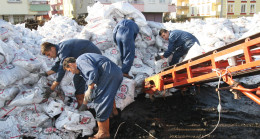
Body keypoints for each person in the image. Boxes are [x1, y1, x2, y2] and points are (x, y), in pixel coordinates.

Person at [63, 53, 123, 139]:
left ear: (71, 64)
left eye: (69, 70)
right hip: (115, 72)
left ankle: (103, 133)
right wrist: (84, 103)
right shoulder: (83, 65)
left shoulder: (80, 61)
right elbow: (91, 79)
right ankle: (114, 114)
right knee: (108, 95)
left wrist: (90, 88)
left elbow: (92, 71)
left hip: (108, 73)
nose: (71, 72)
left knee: (100, 100)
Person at [40, 39, 102, 108]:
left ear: (52, 48)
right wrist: (46, 74)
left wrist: (52, 88)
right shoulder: (61, 48)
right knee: (77, 81)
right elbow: (60, 63)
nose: (49, 57)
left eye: (49, 54)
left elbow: (61, 69)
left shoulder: (64, 49)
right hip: (87, 59)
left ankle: (82, 106)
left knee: (78, 82)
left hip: (92, 60)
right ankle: (82, 104)